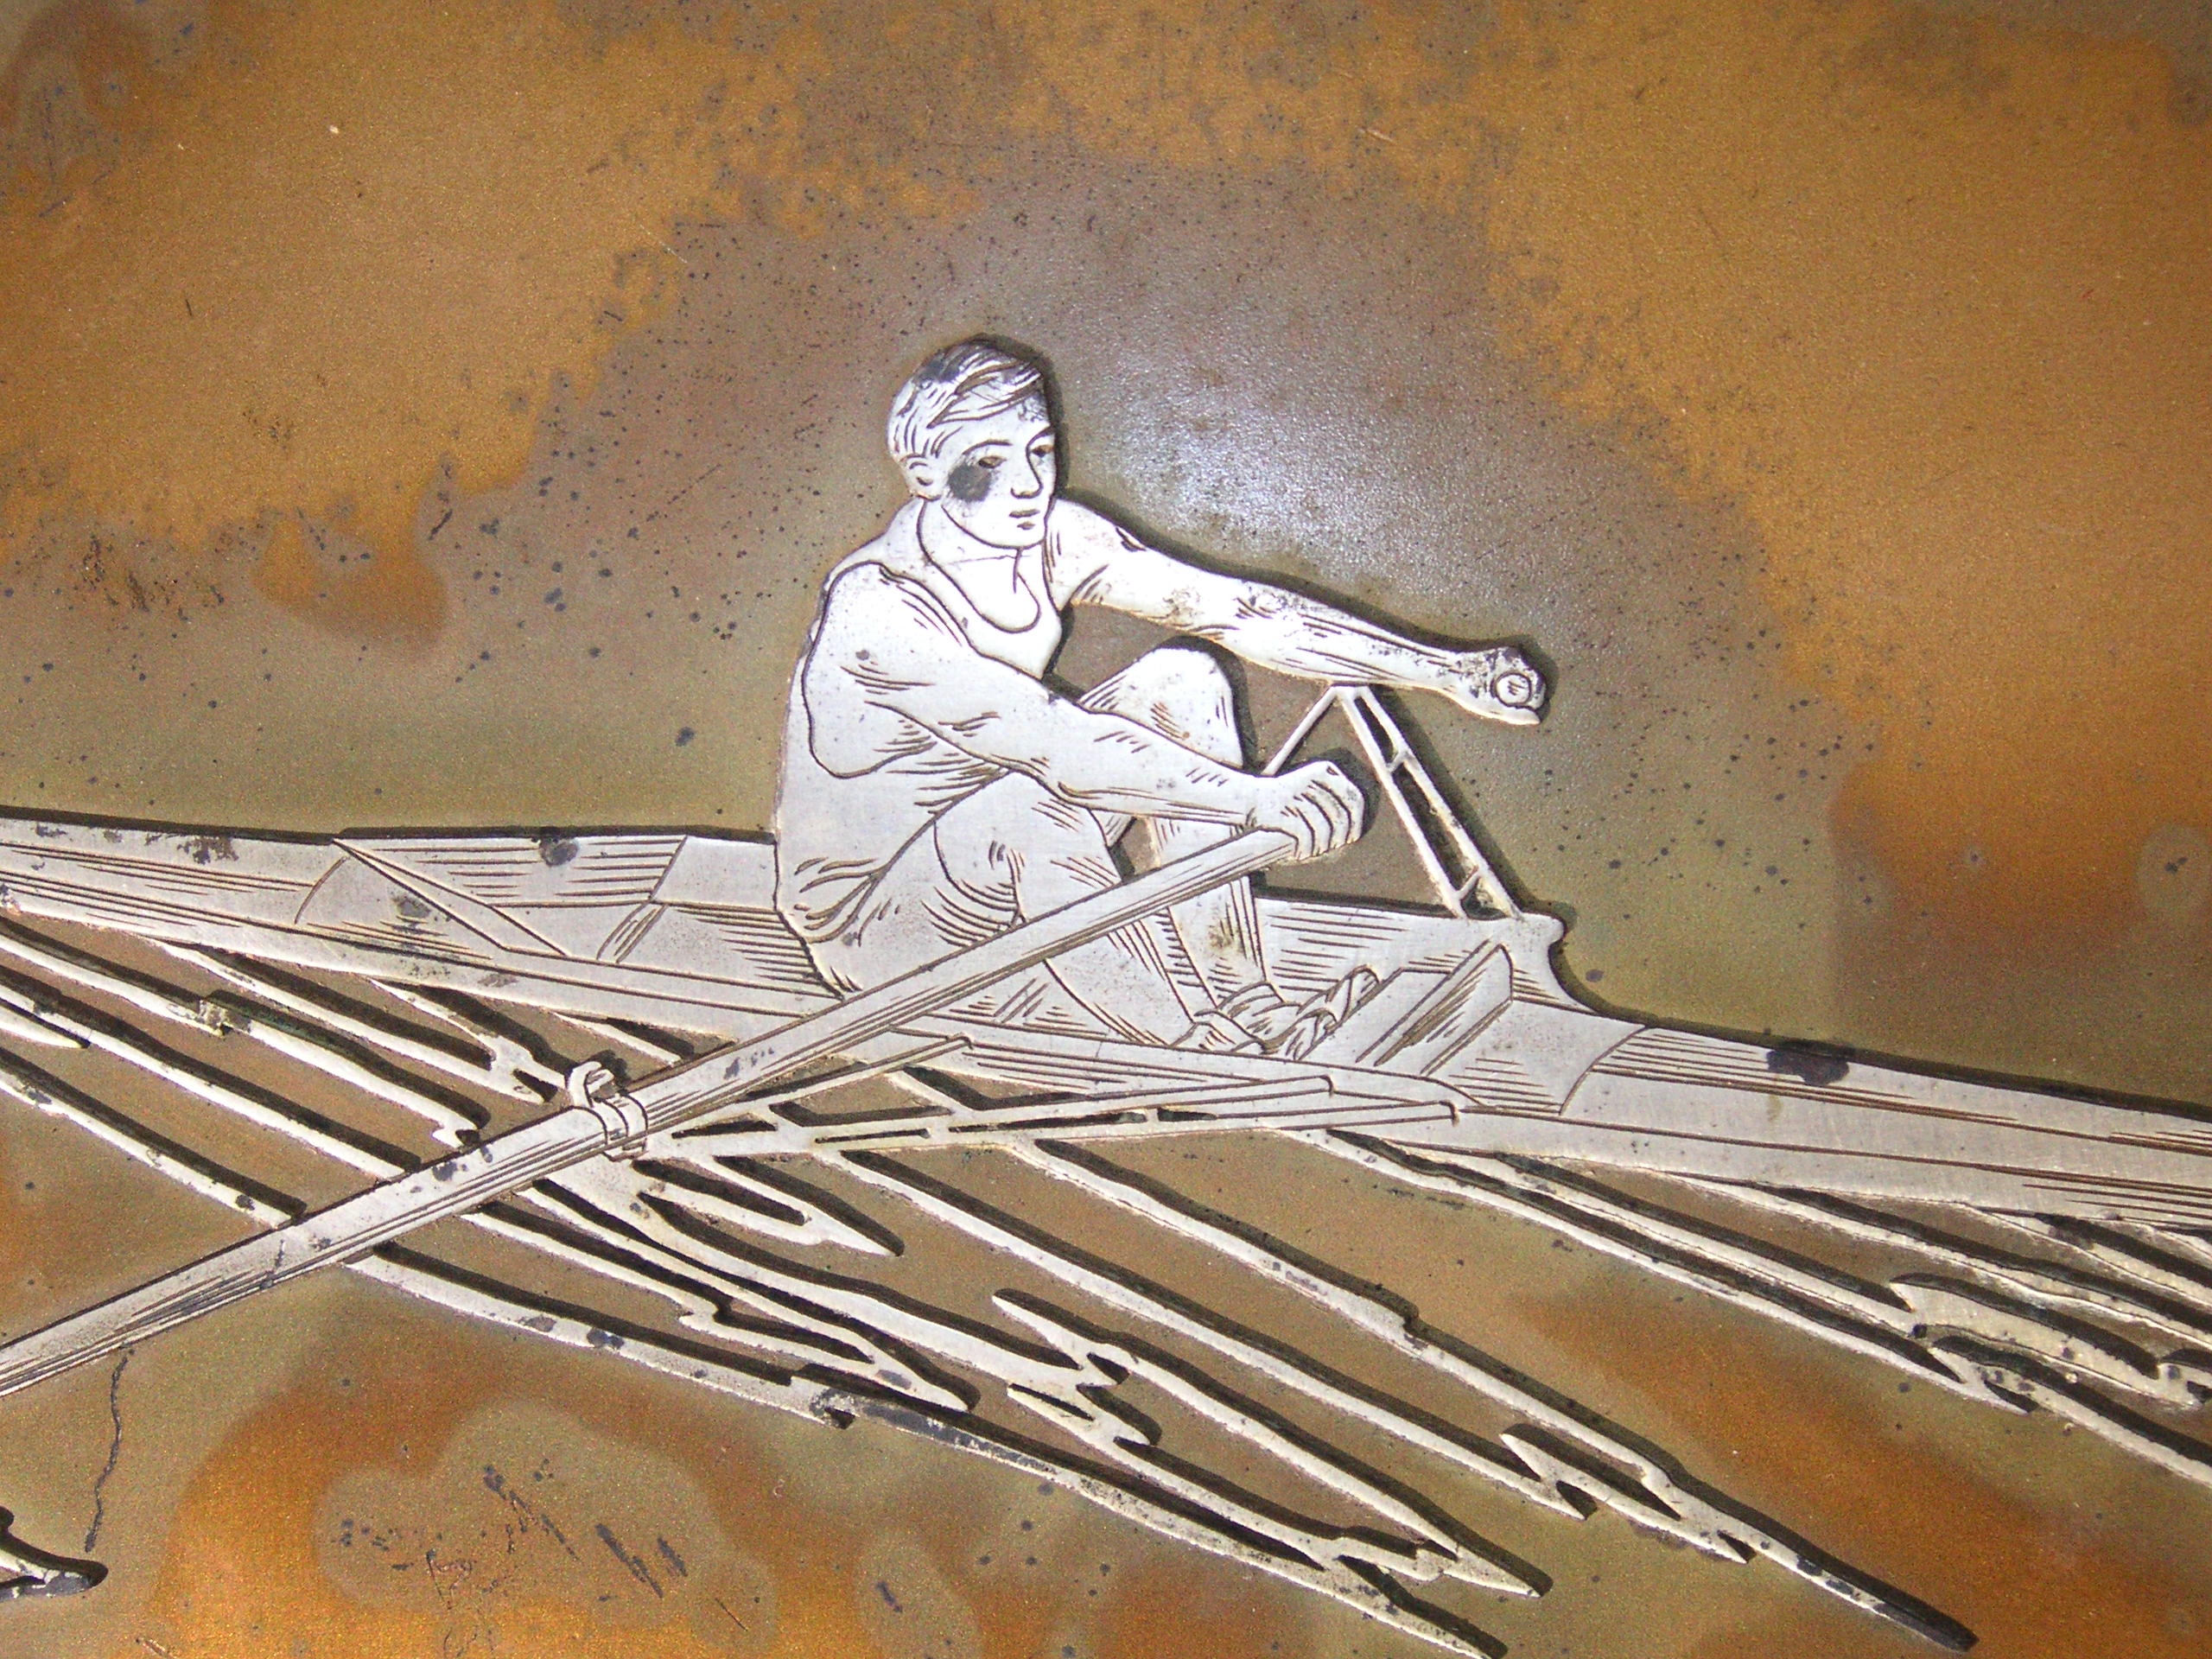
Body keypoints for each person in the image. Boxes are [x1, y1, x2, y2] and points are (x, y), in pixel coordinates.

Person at [772, 338, 1544, 1054]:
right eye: (989, 464)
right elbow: (1061, 748)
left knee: (1186, 680)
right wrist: (1255, 802)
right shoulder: (877, 610)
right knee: (1033, 810)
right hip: (877, 923)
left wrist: (1445, 670)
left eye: (1040, 450)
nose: (1029, 486)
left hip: (999, 835)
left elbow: (1243, 612)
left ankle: (1248, 1004)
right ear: (923, 474)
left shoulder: (1052, 538)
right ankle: (1193, 1048)